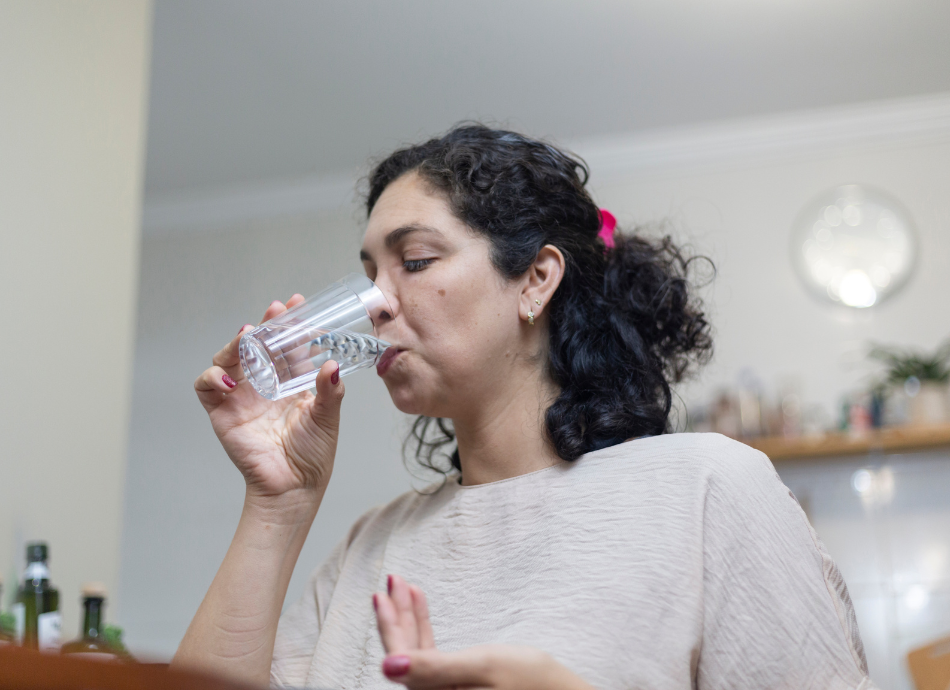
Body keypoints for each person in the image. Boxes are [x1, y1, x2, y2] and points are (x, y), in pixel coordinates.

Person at [176, 125, 874, 690]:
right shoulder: (374, 545)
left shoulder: (706, 489)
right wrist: (277, 503)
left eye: (414, 261)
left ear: (536, 279)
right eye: (368, 275)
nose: (377, 303)